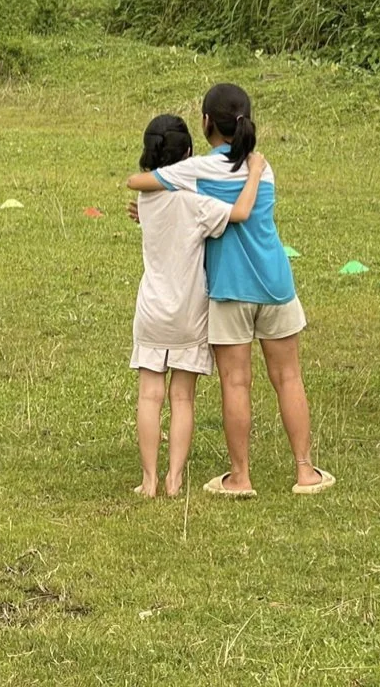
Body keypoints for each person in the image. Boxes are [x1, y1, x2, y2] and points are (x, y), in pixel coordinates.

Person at [126, 84, 330, 497]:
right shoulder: (262, 167)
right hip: (275, 282)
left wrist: (148, 211)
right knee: (289, 377)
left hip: (229, 288)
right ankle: (305, 472)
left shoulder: (196, 170)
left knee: (236, 383)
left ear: (205, 123)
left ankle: (240, 477)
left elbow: (144, 183)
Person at [128, 114, 267, 498]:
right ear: (188, 155)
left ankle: (149, 480)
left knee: (149, 396)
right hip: (189, 312)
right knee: (182, 397)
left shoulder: (146, 197)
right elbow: (239, 214)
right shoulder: (198, 203)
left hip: (151, 310)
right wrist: (254, 173)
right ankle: (174, 479)